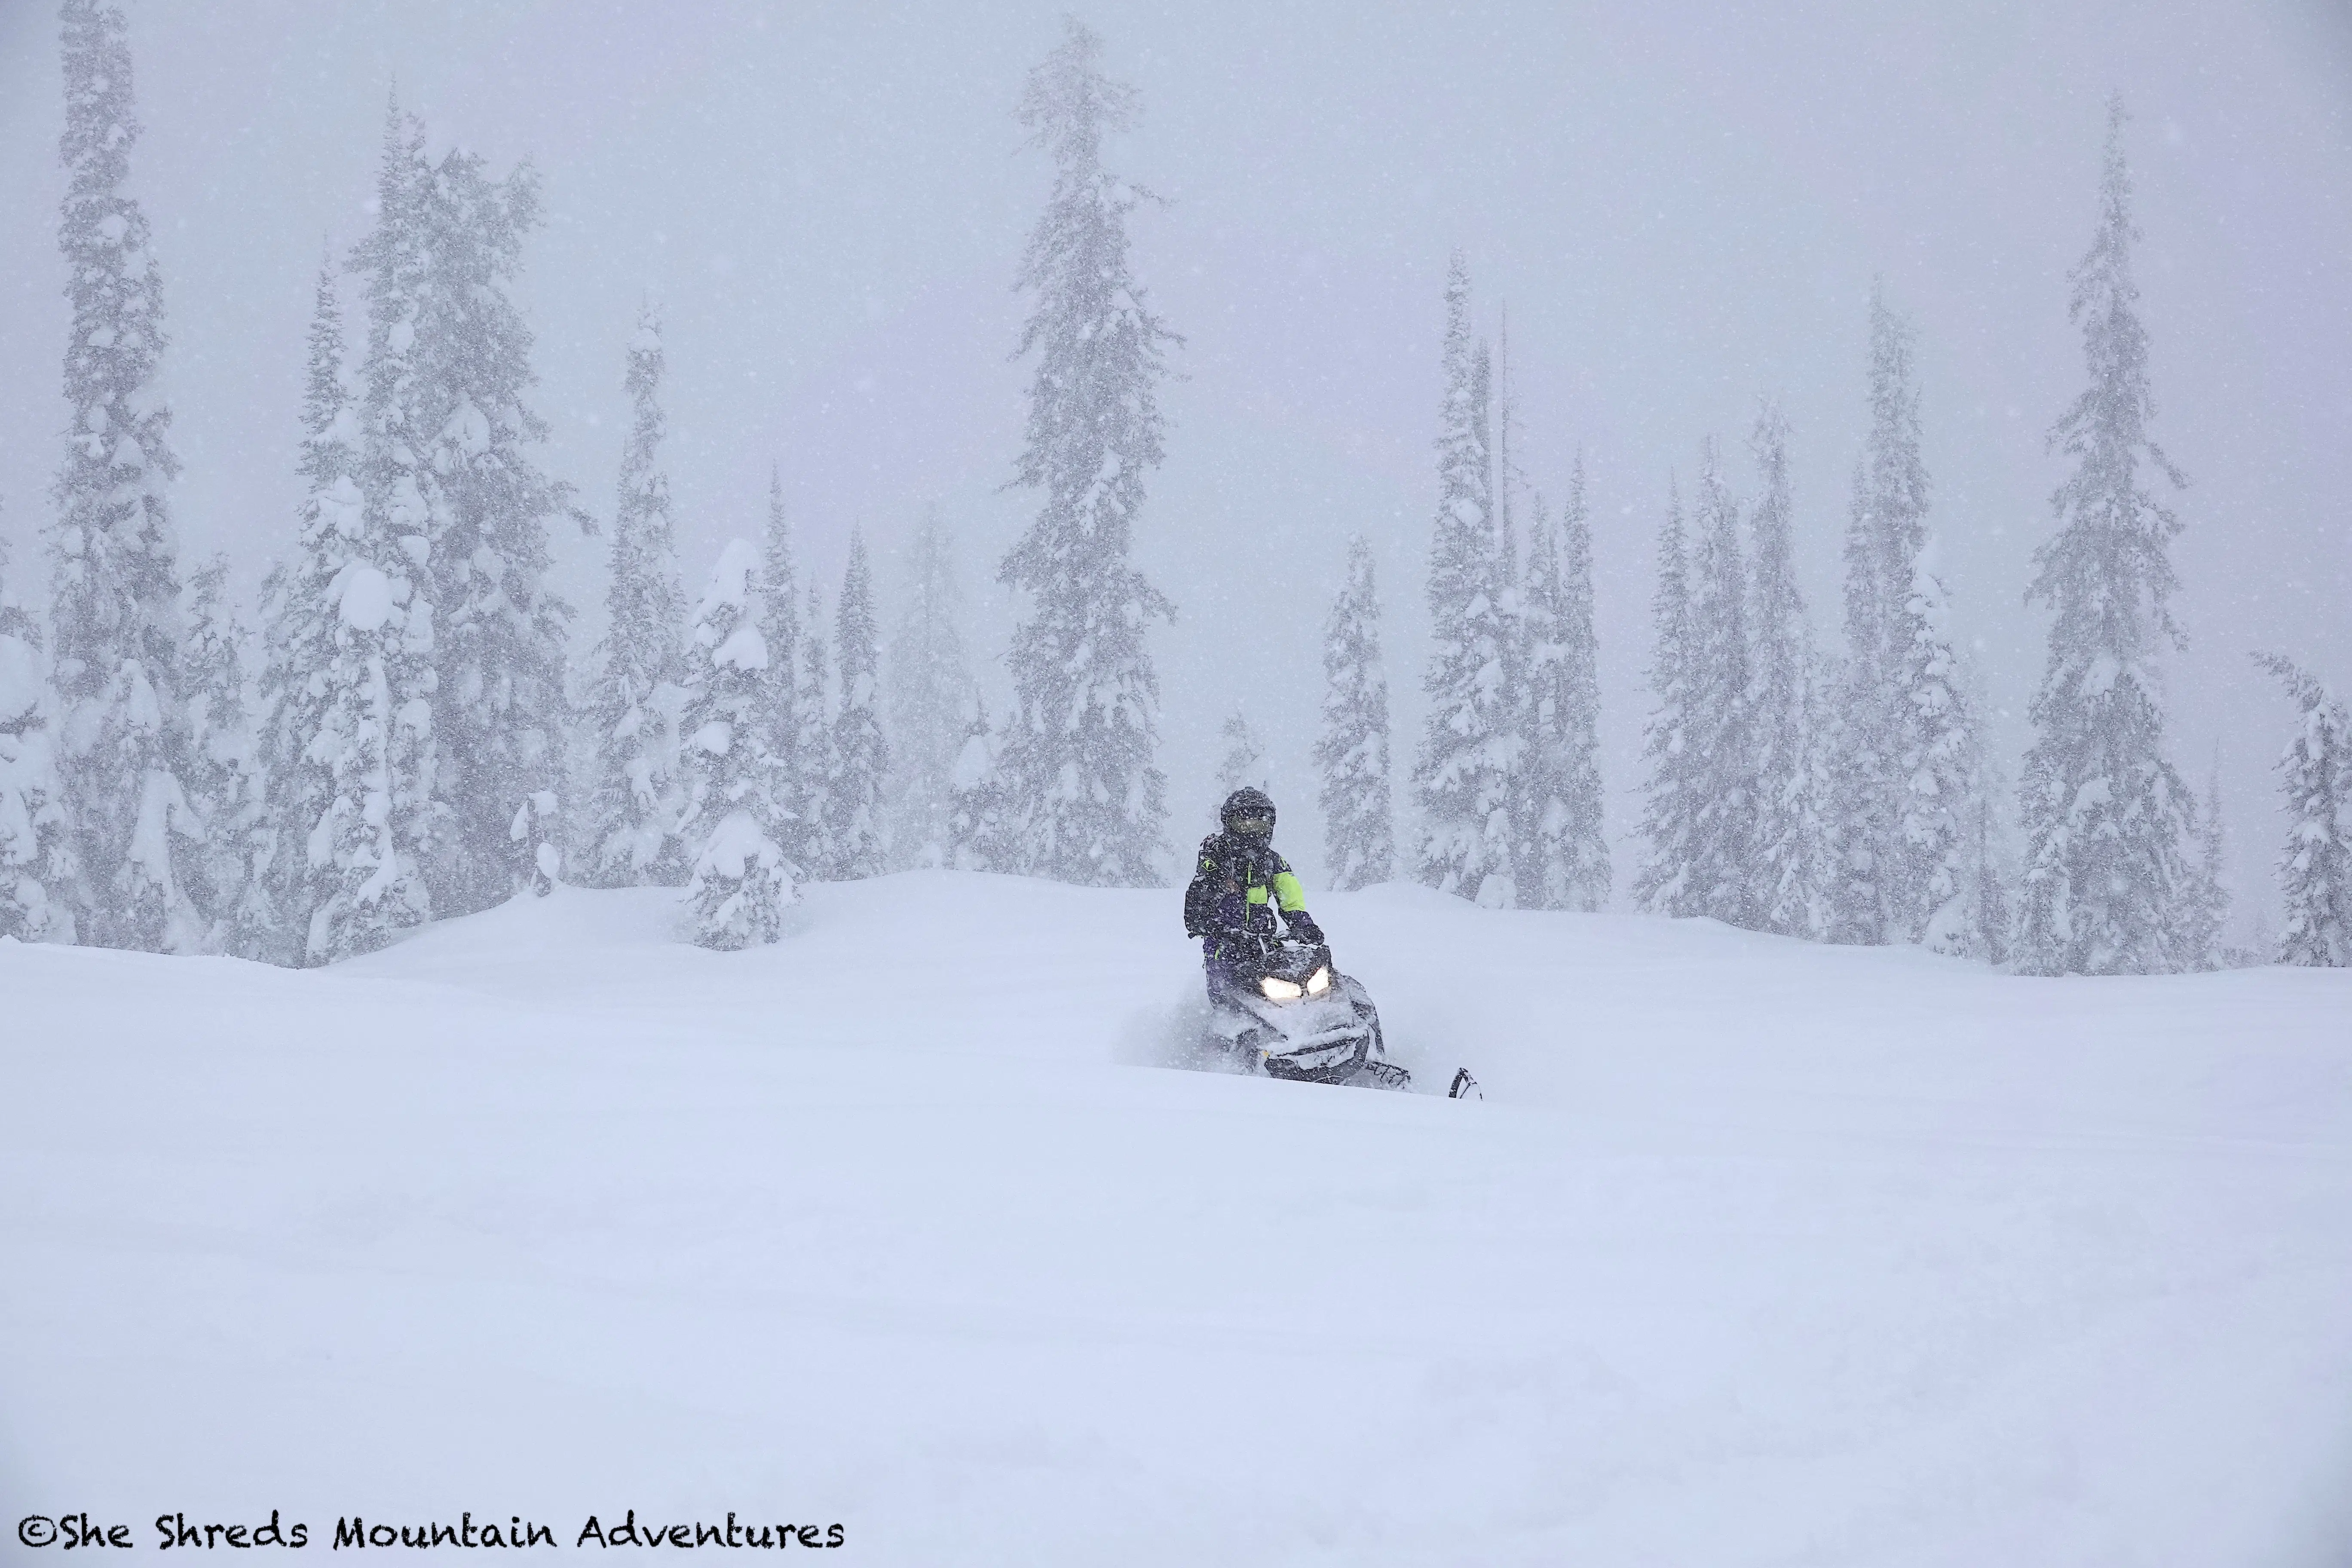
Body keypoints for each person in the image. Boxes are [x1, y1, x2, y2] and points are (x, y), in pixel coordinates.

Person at [1183, 787, 1324, 1001]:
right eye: (1242, 823)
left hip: (1264, 944)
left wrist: (1303, 925)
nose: (1250, 830)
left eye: (1259, 823)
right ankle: (1224, 1032)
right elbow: (1198, 897)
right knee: (1229, 999)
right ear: (1229, 823)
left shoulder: (1272, 861)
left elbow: (1291, 897)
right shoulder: (1216, 856)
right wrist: (1214, 925)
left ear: (1269, 826)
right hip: (1225, 946)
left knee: (1293, 992)